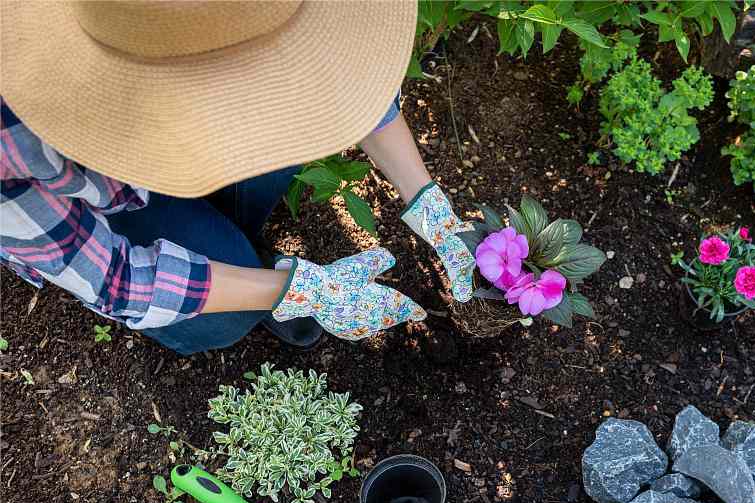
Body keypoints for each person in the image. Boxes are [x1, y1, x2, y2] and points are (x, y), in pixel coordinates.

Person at [0, 1, 475, 355]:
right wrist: (300, 291)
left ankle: (234, 244)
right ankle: (240, 268)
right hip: (107, 201)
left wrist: (426, 199)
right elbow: (117, 279)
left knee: (280, 151)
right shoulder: (13, 131)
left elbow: (345, 82)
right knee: (219, 323)